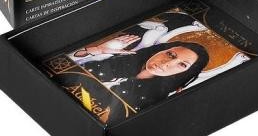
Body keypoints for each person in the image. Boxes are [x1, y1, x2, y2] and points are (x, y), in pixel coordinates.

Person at [74, 37, 209, 112]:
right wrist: (97, 50)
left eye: (182, 65)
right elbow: (68, 70)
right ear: (160, 50)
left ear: (185, 73)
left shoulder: (150, 99)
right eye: (170, 54)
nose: (166, 63)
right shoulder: (122, 61)